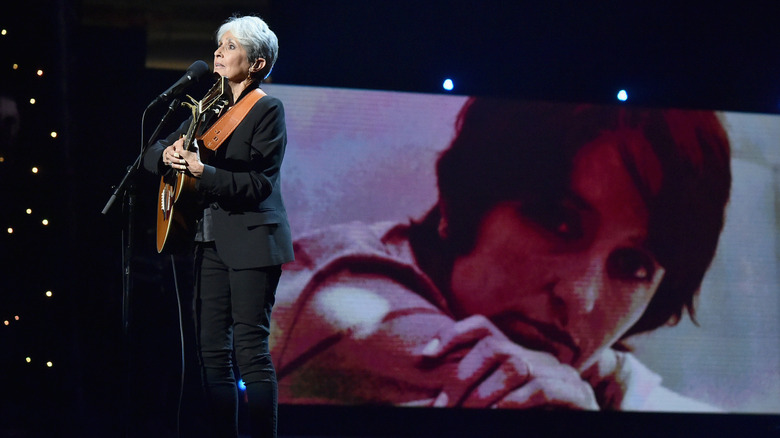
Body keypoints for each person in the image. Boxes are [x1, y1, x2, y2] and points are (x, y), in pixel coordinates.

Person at [269, 97, 731, 411]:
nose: (581, 298)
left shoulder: (564, 355)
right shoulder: (343, 301)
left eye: (632, 265)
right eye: (559, 222)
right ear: (466, 200)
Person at [142, 15, 292, 438]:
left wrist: (202, 172)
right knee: (212, 355)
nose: (218, 53)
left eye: (230, 46)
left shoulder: (267, 110)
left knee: (250, 353)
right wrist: (165, 158)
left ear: (257, 62)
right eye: (219, 45)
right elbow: (153, 150)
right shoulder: (207, 107)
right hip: (207, 242)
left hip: (253, 242)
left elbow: (260, 183)